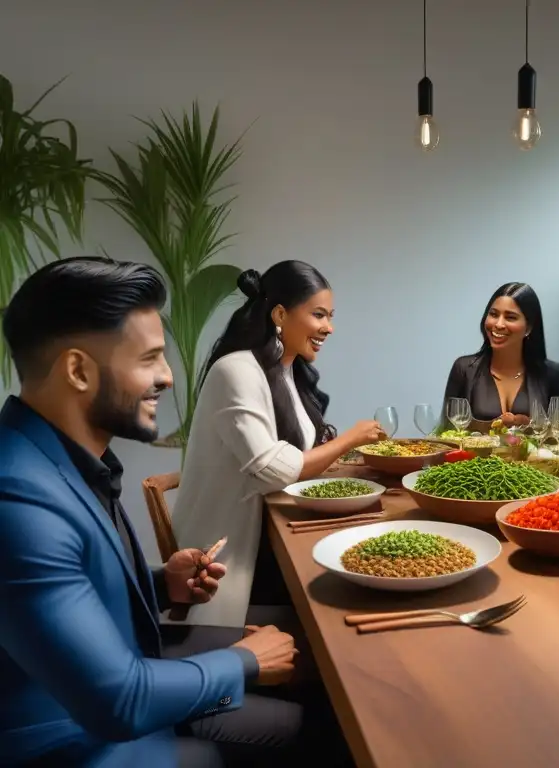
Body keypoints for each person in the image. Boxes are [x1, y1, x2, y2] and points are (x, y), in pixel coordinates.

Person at [0, 257, 302, 767]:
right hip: (82, 737)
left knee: (300, 714)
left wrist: (163, 584)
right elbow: (121, 701)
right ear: (77, 370)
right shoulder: (17, 499)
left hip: (129, 689)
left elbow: (78, 590)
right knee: (306, 732)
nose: (167, 377)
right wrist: (244, 663)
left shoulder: (66, 459)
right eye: (150, 359)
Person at [174, 261, 383, 629]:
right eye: (319, 315)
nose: (329, 328)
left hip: (271, 537)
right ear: (281, 314)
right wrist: (353, 437)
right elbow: (274, 470)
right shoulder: (235, 370)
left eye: (330, 316)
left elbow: (298, 455)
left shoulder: (287, 373)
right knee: (352, 600)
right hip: (232, 559)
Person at [442, 282, 559, 430]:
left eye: (510, 317)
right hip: (475, 454)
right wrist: (490, 427)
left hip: (534, 454)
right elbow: (447, 432)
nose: (499, 324)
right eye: (494, 314)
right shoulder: (464, 369)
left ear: (528, 327)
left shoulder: (552, 373)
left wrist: (529, 426)